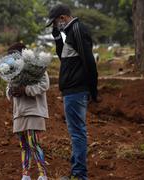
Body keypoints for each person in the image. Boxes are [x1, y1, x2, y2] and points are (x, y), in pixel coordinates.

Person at [46, 4, 99, 180]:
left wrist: (93, 89)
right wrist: (57, 39)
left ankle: (79, 175)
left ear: (62, 18)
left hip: (76, 91)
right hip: (71, 91)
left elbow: (89, 60)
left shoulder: (77, 29)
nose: (55, 26)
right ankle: (76, 173)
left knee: (77, 133)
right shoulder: (69, 33)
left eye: (55, 23)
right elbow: (66, 58)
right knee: (76, 132)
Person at [6, 43, 50, 180]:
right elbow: (8, 90)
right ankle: (25, 175)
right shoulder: (12, 70)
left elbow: (45, 84)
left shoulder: (36, 67)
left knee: (34, 144)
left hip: (33, 111)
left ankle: (43, 175)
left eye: (14, 56)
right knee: (24, 145)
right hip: (19, 113)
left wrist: (25, 90)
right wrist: (12, 91)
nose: (12, 59)